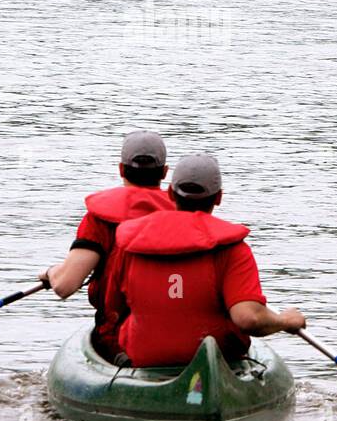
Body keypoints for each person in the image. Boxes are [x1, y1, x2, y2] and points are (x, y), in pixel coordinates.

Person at [106, 153, 305, 367]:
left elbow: (113, 307)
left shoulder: (130, 244)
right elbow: (248, 319)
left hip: (144, 361)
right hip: (217, 366)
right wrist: (285, 321)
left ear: (171, 193)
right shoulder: (232, 250)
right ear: (219, 197)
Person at [41, 131, 170, 359]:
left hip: (118, 343)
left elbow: (65, 286)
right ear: (164, 172)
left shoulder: (100, 219)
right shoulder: (184, 215)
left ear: (121, 169)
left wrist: (52, 273)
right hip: (180, 336)